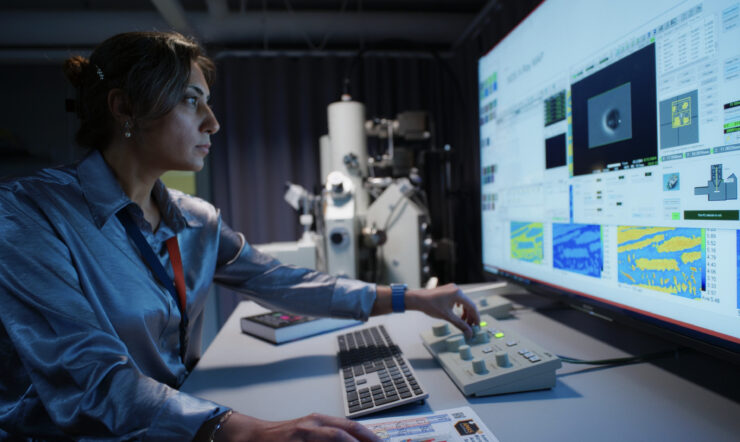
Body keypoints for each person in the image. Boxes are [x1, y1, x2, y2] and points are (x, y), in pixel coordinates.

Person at [0, 31, 480, 441]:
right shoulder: (29, 214)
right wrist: (242, 429)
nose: (213, 122)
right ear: (124, 107)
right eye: (192, 101)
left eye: (208, 102)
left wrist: (410, 298)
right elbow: (89, 381)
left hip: (180, 424)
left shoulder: (195, 220)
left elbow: (282, 282)